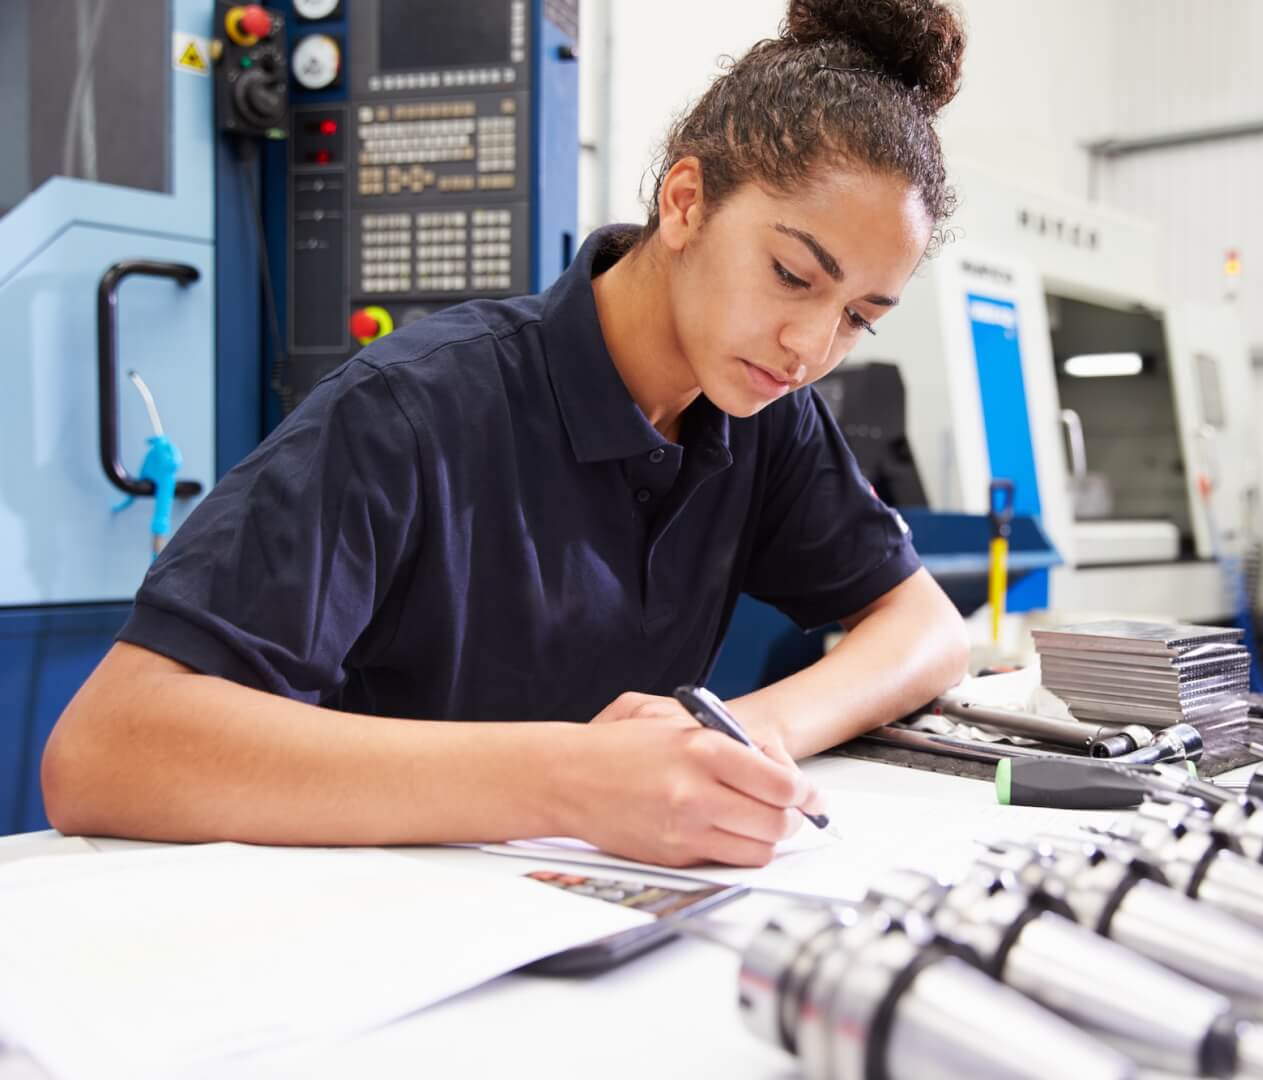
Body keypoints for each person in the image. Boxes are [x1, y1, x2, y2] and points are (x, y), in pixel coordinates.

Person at [42, 0, 971, 868]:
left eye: (858, 317)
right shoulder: (414, 408)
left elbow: (924, 627)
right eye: (791, 274)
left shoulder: (765, 417)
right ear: (686, 202)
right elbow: (106, 748)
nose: (810, 348)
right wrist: (570, 781)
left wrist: (746, 728)